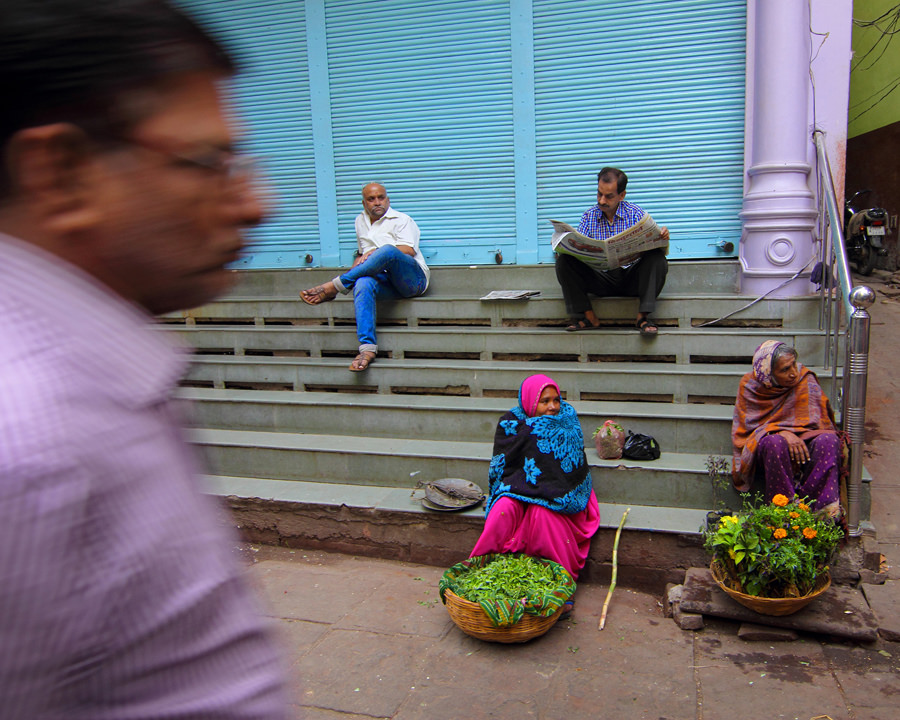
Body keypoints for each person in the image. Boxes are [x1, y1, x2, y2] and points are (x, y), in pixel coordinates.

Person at [0, 2, 287, 717]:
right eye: (207, 163)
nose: (259, 205)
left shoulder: (99, 378)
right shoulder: (28, 446)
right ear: (62, 174)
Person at [470, 374, 601, 587]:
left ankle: (560, 584)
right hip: (519, 487)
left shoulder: (567, 420)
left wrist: (540, 495)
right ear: (530, 402)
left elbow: (570, 467)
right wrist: (523, 492)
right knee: (503, 508)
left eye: (556, 400)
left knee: (542, 515)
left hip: (560, 492)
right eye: (545, 401)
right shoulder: (510, 424)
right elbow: (504, 468)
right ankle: (480, 568)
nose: (553, 407)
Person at [300, 182, 429, 371]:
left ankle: (334, 287)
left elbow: (408, 250)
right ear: (364, 203)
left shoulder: (401, 219)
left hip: (412, 281)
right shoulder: (360, 221)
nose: (377, 202)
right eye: (371, 199)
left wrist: (376, 251)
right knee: (362, 282)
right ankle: (367, 348)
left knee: (386, 251)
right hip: (385, 283)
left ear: (388, 199)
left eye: (381, 197)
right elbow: (363, 255)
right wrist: (357, 267)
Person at [732, 340, 843, 518]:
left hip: (808, 443)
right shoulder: (751, 387)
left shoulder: (805, 379)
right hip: (771, 448)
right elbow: (749, 431)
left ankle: (820, 514)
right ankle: (783, 513)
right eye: (785, 370)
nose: (793, 373)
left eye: (793, 365)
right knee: (774, 443)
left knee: (829, 441)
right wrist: (782, 432)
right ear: (769, 374)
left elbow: (820, 423)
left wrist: (796, 435)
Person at [555, 167, 669, 336]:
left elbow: (653, 249)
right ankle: (589, 317)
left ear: (621, 195)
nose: (601, 200)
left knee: (657, 258)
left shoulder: (636, 214)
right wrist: (566, 248)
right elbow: (580, 252)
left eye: (608, 196)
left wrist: (661, 237)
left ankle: (642, 317)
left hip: (631, 278)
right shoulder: (589, 216)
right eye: (599, 194)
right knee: (564, 261)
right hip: (600, 279)